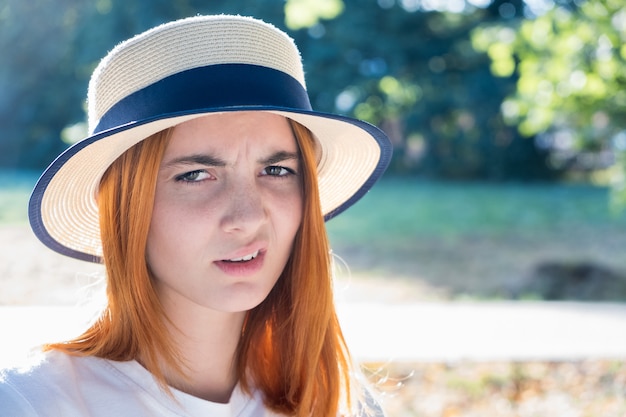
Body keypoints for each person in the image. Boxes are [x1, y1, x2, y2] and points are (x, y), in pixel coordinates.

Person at [0, 14, 392, 417]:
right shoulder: (31, 402)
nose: (248, 216)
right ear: (125, 208)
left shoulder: (340, 404)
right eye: (196, 175)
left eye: (276, 170)